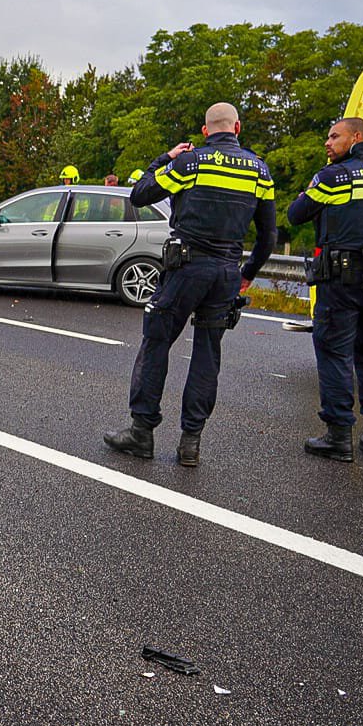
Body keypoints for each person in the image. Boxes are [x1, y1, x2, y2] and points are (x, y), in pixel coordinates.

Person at [103, 103, 276, 466]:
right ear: (238, 128)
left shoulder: (191, 162)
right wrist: (248, 272)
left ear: (204, 131)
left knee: (157, 342)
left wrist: (164, 158)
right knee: (207, 354)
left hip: (186, 268)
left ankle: (142, 432)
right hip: (227, 273)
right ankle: (190, 443)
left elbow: (140, 193)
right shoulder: (260, 170)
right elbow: (268, 235)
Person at [287, 117, 363, 461]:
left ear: (356, 137)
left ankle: (339, 436)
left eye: (333, 136)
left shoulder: (335, 176)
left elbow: (296, 214)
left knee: (335, 353)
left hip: (342, 278)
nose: (327, 143)